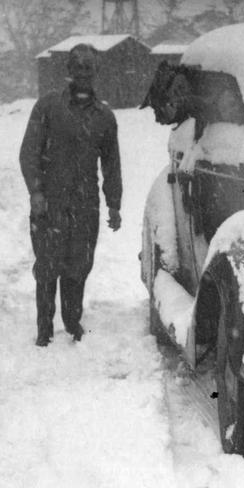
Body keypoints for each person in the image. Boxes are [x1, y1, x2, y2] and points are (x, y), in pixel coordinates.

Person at [19, 43, 122, 347]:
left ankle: (72, 323)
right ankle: (44, 328)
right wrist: (36, 192)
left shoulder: (104, 116)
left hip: (85, 204)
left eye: (89, 67)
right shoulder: (48, 107)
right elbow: (29, 153)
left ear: (96, 72)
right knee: (48, 265)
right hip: (50, 203)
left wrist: (114, 204)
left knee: (79, 265)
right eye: (77, 66)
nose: (83, 72)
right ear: (69, 70)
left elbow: (112, 164)